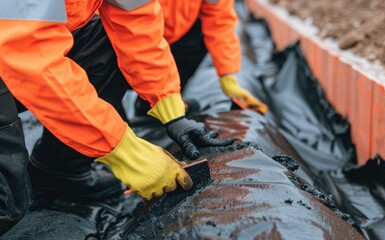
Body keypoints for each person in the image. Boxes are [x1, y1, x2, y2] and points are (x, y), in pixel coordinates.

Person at [0, 0, 232, 235]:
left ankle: (58, 173)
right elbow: (30, 55)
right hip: (15, 48)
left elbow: (136, 21)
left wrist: (170, 111)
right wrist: (125, 152)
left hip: (18, 46)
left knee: (104, 41)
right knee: (6, 205)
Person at [134, 0, 268, 116]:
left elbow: (219, 19)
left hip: (175, 34)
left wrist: (228, 77)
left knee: (197, 39)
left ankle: (151, 107)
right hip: (130, 35)